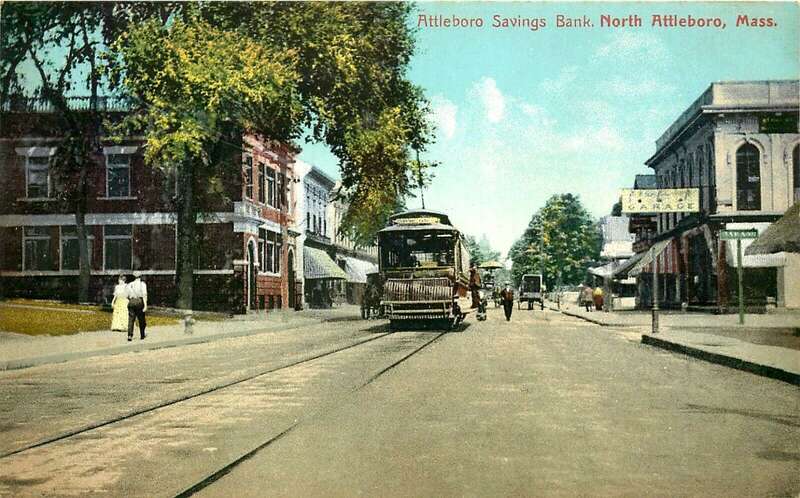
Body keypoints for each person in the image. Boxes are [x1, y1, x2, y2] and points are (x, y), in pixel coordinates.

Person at [126, 271, 148, 341]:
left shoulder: (130, 284)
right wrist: (145, 305)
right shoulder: (142, 284)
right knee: (141, 318)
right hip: (139, 301)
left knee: (131, 319)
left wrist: (131, 299)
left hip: (131, 301)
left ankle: (130, 335)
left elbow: (127, 295)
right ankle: (142, 334)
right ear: (140, 276)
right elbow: (144, 295)